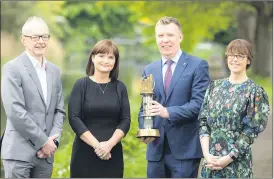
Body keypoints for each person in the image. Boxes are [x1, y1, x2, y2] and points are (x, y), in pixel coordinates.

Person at [138, 16, 210, 178]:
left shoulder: (198, 65)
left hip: (185, 151)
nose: (165, 40)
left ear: (180, 37)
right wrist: (144, 128)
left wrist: (167, 112)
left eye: (170, 35)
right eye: (160, 36)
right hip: (156, 151)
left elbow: (199, 105)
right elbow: (145, 108)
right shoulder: (149, 69)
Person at [1, 16, 66, 178]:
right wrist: (43, 142)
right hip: (19, 153)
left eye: (44, 36)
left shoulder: (55, 71)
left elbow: (59, 111)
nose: (40, 41)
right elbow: (15, 112)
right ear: (23, 40)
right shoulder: (12, 69)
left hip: (45, 157)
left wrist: (53, 142)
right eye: (35, 37)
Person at [199, 39, 270, 178]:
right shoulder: (214, 87)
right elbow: (203, 122)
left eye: (240, 56)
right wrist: (206, 154)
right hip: (211, 161)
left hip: (236, 163)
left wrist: (229, 158)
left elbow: (250, 132)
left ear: (248, 60)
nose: (235, 60)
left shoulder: (254, 92)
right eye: (231, 55)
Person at [68, 39, 131, 178]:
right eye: (101, 56)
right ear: (93, 58)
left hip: (112, 154)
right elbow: (74, 118)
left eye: (110, 57)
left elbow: (125, 120)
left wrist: (109, 145)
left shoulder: (120, 88)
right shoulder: (80, 85)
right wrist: (98, 146)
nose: (106, 61)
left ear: (115, 61)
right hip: (84, 154)